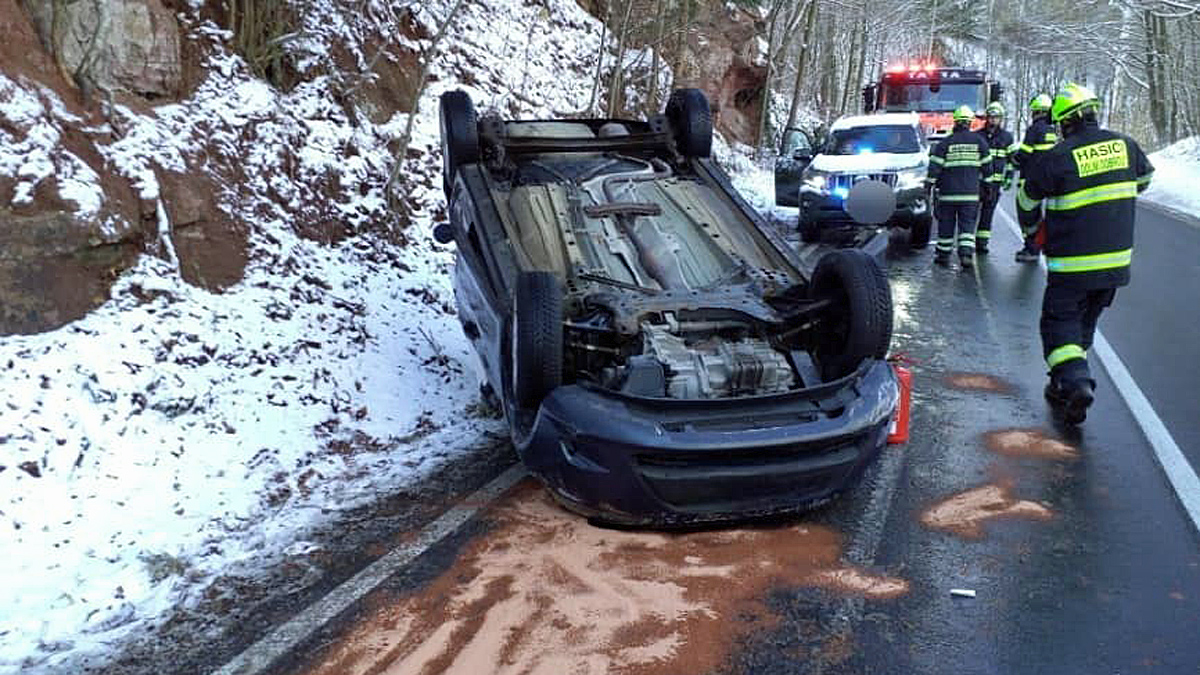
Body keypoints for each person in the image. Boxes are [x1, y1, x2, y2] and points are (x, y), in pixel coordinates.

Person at [1017, 83, 1153, 424]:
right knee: (1084, 322)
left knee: (1059, 322)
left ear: (1064, 122)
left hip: (1072, 265)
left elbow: (1026, 200)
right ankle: (1061, 383)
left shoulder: (1059, 157)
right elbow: (1146, 178)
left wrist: (1033, 234)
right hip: (1115, 265)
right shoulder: (1125, 145)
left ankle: (1076, 381)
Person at [926, 105, 991, 269]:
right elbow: (988, 167)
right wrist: (988, 186)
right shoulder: (979, 142)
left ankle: (943, 255)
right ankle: (966, 255)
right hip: (970, 194)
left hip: (948, 194)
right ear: (969, 123)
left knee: (946, 225)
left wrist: (929, 185)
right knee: (967, 225)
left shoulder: (945, 143)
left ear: (955, 122)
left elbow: (935, 168)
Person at [1012, 93, 1058, 262]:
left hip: (1031, 179)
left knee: (1028, 216)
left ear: (1037, 112)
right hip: (1048, 180)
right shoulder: (1052, 131)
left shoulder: (1034, 129)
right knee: (1044, 215)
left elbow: (1024, 153)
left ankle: (1031, 248)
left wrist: (1013, 160)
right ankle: (1040, 246)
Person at [976, 101, 1015, 254]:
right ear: (987, 118)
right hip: (978, 182)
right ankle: (966, 242)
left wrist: (1009, 178)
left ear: (1001, 119)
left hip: (995, 184)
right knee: (971, 213)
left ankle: (982, 243)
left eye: (996, 117)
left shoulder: (1007, 137)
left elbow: (1011, 160)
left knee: (988, 213)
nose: (993, 120)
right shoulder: (978, 136)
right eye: (991, 117)